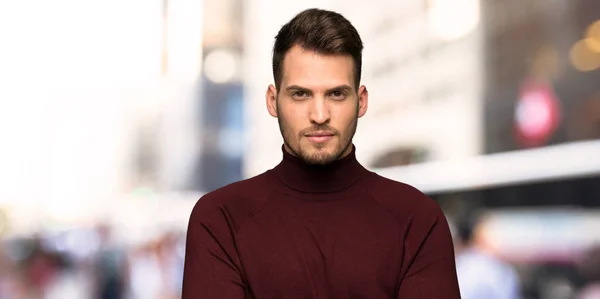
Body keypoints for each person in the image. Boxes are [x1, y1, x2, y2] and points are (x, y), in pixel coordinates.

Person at [182, 8, 460, 299]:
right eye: (300, 94)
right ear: (273, 101)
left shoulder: (416, 219)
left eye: (336, 94)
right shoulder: (220, 218)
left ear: (361, 101)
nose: (319, 114)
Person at [454, 213, 520, 299]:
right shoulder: (469, 267)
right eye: (496, 234)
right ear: (481, 236)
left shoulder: (502, 268)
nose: (501, 240)